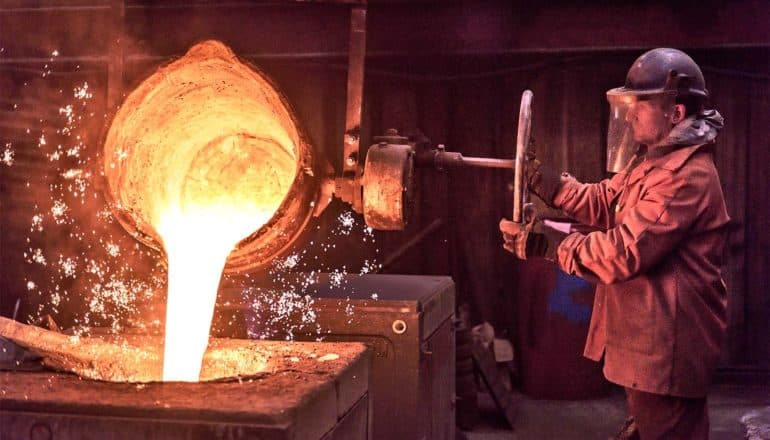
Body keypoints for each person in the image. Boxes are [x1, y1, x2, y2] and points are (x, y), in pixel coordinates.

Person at [499, 48, 729, 439]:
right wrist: (544, 181)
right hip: (649, 341)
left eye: (642, 104)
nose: (631, 114)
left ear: (675, 114)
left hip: (668, 347)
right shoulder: (654, 162)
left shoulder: (686, 177)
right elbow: (605, 201)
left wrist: (549, 245)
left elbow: (623, 252)